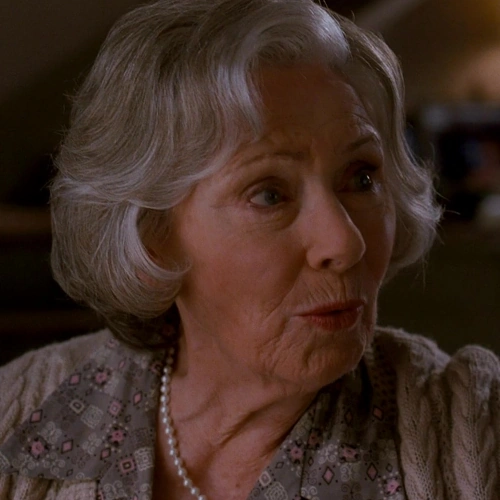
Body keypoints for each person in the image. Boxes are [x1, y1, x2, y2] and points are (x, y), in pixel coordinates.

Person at [1, 0, 499, 498]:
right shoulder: (22, 409)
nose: (345, 242)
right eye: (269, 194)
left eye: (361, 177)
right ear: (152, 234)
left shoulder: (471, 430)